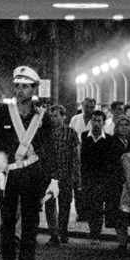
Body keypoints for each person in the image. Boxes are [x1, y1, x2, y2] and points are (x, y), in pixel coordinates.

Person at [0, 66, 57, 260]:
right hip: (9, 176)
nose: (20, 90)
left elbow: (49, 150)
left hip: (33, 177)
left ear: (34, 89)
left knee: (30, 228)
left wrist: (53, 179)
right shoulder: (2, 113)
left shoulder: (43, 117)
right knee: (7, 228)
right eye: (17, 86)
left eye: (25, 86)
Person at [78, 110, 122, 241]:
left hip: (104, 178)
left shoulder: (109, 139)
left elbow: (111, 160)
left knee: (103, 206)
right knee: (92, 206)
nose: (96, 123)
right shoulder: (84, 136)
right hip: (89, 177)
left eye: (99, 121)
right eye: (94, 120)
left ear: (103, 123)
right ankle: (94, 233)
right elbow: (82, 158)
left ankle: (103, 231)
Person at [44, 104, 81, 246]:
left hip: (66, 173)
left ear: (63, 116)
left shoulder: (71, 133)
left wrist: (76, 175)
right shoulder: (46, 132)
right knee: (50, 204)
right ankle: (54, 234)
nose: (53, 119)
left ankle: (63, 231)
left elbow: (75, 155)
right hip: (49, 174)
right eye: (51, 116)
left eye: (56, 116)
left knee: (65, 204)